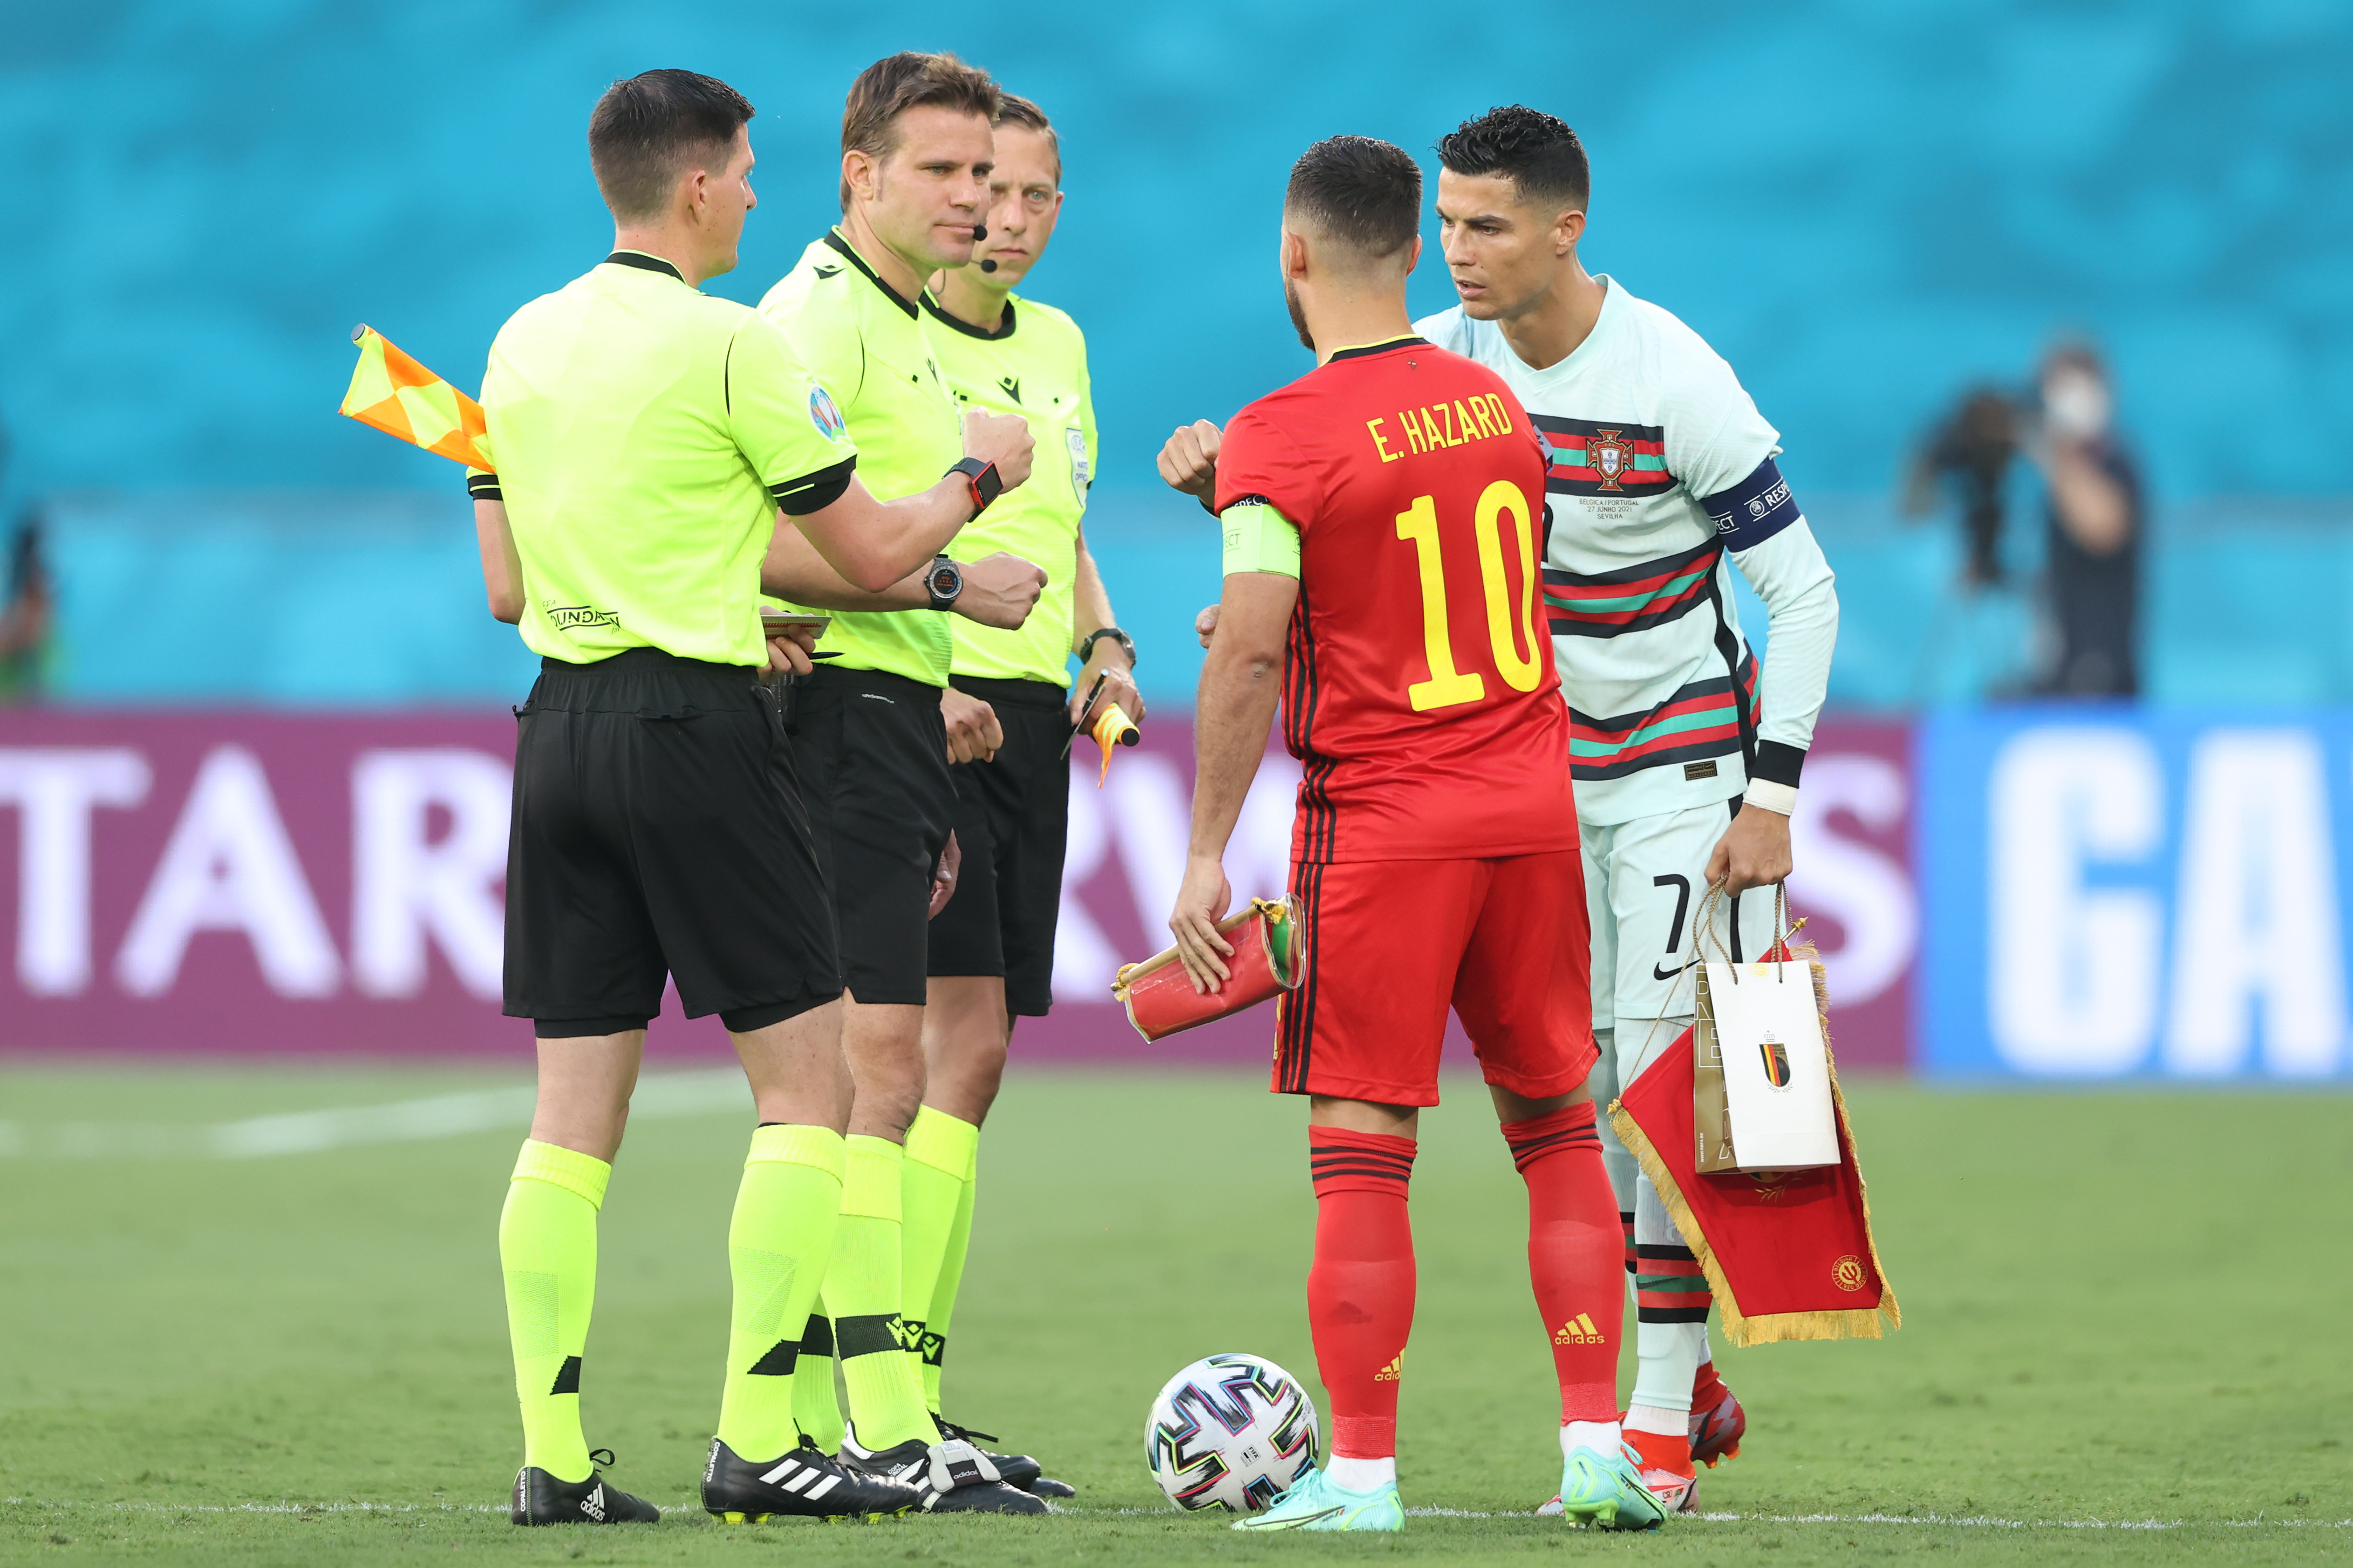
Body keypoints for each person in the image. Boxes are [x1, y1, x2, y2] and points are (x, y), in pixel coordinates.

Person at [466, 69, 1034, 1526]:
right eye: (750, 171)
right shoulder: (732, 344)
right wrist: (980, 475)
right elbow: (862, 552)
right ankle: (754, 1441)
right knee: (813, 1091)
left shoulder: (519, 341)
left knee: (567, 1119)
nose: (760, 194)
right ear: (703, 184)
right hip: (699, 734)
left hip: (558, 725)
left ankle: (553, 1461)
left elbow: (509, 584)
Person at [1156, 134, 1664, 1533]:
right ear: (1408, 250)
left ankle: (1364, 1476)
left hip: (1387, 820)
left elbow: (1250, 653)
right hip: (1529, 799)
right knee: (1559, 1125)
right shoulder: (1493, 407)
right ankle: (1595, 1449)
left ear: (1296, 255)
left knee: (1364, 1135)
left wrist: (1205, 850)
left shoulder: (1281, 432)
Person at [1418, 104, 1839, 1512]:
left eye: (1485, 226)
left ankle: (1649, 1438)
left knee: (1671, 1098)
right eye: (1446, 221)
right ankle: (1687, 1369)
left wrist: (1771, 794)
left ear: (1562, 228)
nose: (1459, 252)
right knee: (1573, 1096)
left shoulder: (1674, 376)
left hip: (1681, 769)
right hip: (1536, 773)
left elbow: (1803, 588)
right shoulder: (1441, 364)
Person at [749, 51, 1051, 1515]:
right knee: (868, 1071)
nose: (974, 202)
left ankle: (883, 1411)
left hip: (893, 712)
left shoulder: (898, 318)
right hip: (834, 729)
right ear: (859, 172)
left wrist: (928, 630)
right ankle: (868, 1424)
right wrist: (946, 557)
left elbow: (846, 536)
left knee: (903, 1068)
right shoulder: (811, 317)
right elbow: (748, 527)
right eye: (943, 173)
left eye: (984, 179)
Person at [866, 91, 1137, 1488]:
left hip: (1034, 717)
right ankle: (882, 1403)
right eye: (989, 192)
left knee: (975, 1059)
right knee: (911, 1058)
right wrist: (936, 673)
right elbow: (861, 535)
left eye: (1036, 196)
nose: (1008, 220)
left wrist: (1102, 640)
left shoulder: (1063, 343)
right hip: (931, 711)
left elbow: (1066, 518)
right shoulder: (894, 340)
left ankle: (911, 1395)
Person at [2030, 341, 2140, 697]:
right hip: (2057, 671)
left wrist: (2055, 452)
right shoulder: (2053, 478)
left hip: (2103, 678)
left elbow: (2104, 528)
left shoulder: (2115, 465)